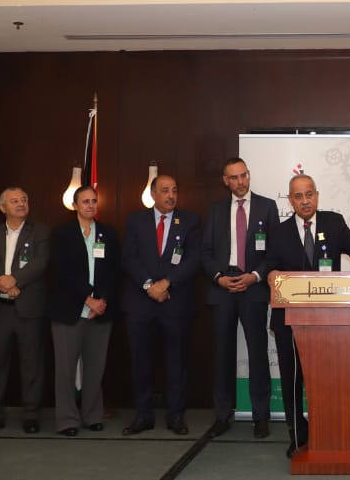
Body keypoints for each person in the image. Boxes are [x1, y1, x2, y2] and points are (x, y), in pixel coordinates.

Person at [267, 174, 350, 458]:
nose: (305, 201)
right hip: (289, 320)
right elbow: (269, 265)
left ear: (317, 195)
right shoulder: (279, 232)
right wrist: (271, 274)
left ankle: (330, 432)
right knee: (292, 379)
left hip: (329, 320)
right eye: (298, 196)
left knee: (328, 379)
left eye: (309, 194)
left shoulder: (334, 223)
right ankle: (297, 436)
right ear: (290, 201)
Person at [201, 158, 279, 439]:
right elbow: (205, 252)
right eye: (233, 177)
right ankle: (222, 415)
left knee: (258, 353)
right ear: (226, 181)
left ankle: (261, 416)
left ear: (249, 175)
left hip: (253, 288)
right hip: (223, 287)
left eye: (243, 175)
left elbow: (274, 251)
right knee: (222, 354)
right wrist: (218, 277)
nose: (240, 181)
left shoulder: (267, 207)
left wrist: (255, 276)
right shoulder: (215, 210)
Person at [121, 174, 201, 436]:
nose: (171, 196)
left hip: (175, 303)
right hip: (140, 304)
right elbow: (129, 258)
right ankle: (143, 415)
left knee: (177, 362)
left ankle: (176, 415)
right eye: (165, 190)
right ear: (153, 194)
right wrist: (149, 285)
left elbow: (194, 259)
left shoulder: (190, 221)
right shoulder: (136, 220)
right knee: (140, 361)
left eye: (174, 190)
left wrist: (166, 283)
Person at [0, 187, 50, 434]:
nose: (21, 204)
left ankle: (31, 415)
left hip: (28, 308)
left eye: (24, 200)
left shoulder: (40, 231)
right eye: (14, 201)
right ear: (2, 207)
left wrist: (15, 279)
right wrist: (2, 283)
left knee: (32, 364)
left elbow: (40, 263)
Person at [47, 186, 120, 436]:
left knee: (95, 368)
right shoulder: (62, 233)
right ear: (75, 205)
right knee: (66, 370)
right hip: (69, 310)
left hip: (101, 311)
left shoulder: (108, 233)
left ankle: (92, 416)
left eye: (94, 201)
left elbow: (114, 271)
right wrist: (87, 299)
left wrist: (101, 300)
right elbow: (61, 271)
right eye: (85, 201)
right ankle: (67, 420)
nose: (90, 205)